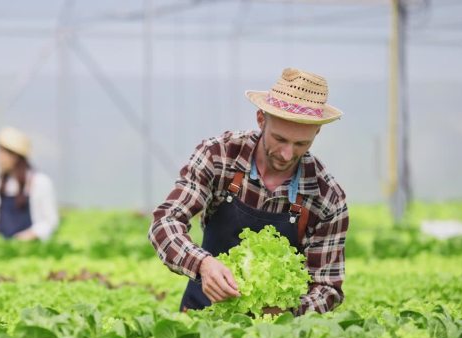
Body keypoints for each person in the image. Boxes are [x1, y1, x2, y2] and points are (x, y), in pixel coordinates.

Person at [148, 68, 348, 316]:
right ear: (261, 120)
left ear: (316, 132)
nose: (287, 154)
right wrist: (202, 264)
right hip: (203, 315)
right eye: (280, 139)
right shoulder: (220, 156)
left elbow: (328, 287)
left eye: (301, 144)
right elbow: (165, 222)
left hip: (273, 335)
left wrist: (287, 311)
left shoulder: (326, 197)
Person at [0, 126, 59, 241]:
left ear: (15, 156)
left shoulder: (39, 182)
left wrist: (30, 235)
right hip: (4, 247)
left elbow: (51, 221)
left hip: (30, 248)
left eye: (2, 153)